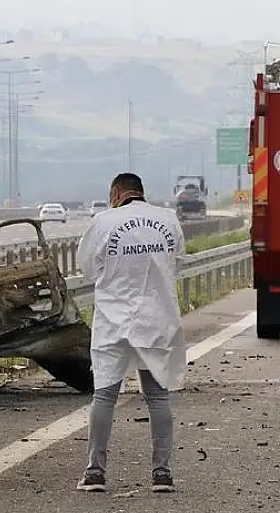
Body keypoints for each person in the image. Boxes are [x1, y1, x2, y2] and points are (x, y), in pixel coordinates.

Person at [74, 172, 186, 493]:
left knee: (105, 396)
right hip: (156, 321)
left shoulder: (103, 222)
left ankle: (95, 472)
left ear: (116, 193)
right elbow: (175, 261)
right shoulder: (168, 220)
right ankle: (162, 474)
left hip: (114, 322)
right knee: (157, 397)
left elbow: (87, 268)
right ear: (140, 192)